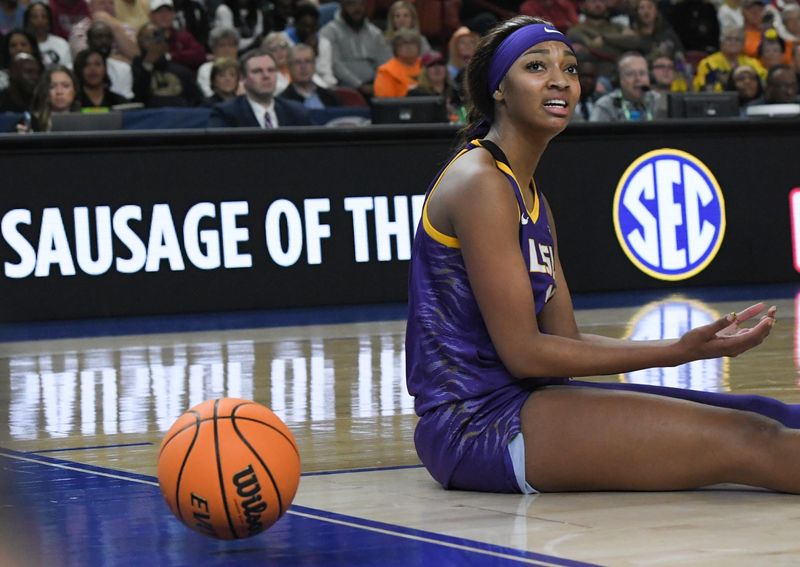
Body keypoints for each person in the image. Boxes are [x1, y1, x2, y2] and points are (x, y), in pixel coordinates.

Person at [406, 15, 800, 497]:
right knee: (751, 439)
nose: (559, 79)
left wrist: (680, 349)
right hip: (476, 424)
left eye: (570, 69)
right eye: (535, 66)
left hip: (531, 398)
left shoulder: (529, 194)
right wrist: (677, 351)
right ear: (498, 90)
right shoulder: (481, 182)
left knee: (767, 412)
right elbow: (526, 353)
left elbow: (563, 343)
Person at [208, 48, 312, 127]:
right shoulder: (226, 113)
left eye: (271, 70)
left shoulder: (297, 112)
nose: (266, 76)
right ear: (243, 78)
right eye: (257, 71)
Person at [319, 0, 391, 97]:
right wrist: (359, 85)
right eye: (351, 4)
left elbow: (385, 62)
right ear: (342, 6)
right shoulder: (329, 32)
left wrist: (379, 84)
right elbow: (335, 64)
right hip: (344, 88)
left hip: (375, 87)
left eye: (361, 4)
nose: (357, 9)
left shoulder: (375, 33)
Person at [131, 22, 203, 106]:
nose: (153, 43)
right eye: (147, 38)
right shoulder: (134, 69)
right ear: (139, 42)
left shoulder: (182, 71)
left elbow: (198, 101)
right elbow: (137, 99)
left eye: (156, 37)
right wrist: (148, 64)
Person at [590, 51, 660, 121]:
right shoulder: (605, 106)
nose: (638, 79)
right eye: (630, 74)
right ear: (619, 79)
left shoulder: (657, 101)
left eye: (642, 73)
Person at [693, 26, 766, 91]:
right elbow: (701, 87)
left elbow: (763, 81)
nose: (733, 42)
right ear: (721, 42)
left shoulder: (752, 62)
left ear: (743, 44)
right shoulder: (707, 63)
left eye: (737, 39)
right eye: (728, 39)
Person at [285, 1, 335, 88]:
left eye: (312, 26)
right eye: (304, 25)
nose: (308, 30)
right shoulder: (284, 41)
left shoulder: (323, 43)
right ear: (295, 25)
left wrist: (315, 55)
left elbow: (326, 74)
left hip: (319, 88)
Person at [68, 0, 139, 62]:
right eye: (102, 3)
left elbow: (137, 58)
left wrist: (114, 28)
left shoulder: (125, 28)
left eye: (111, 3)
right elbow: (84, 60)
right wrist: (124, 60)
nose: (107, 7)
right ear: (90, 8)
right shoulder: (80, 29)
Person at [148, 0, 205, 71]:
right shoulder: (147, 38)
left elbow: (200, 54)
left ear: (173, 14)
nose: (164, 15)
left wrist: (170, 57)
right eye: (159, 12)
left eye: (168, 11)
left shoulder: (183, 36)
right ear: (151, 16)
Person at [279, 42, 340, 108]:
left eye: (308, 61)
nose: (303, 67)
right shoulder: (282, 102)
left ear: (314, 65)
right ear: (289, 67)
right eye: (297, 62)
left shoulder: (330, 96)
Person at [407, 50, 462, 117]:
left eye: (441, 64)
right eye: (431, 65)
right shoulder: (415, 94)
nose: (437, 68)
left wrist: (455, 112)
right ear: (424, 71)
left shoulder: (454, 92)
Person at [87, 20, 133, 100]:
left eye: (108, 37)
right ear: (88, 41)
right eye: (99, 37)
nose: (104, 41)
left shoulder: (123, 69)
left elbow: (126, 101)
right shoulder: (74, 68)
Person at [27, 64, 80, 131]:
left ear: (75, 90)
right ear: (45, 91)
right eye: (52, 87)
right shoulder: (31, 121)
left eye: (65, 86)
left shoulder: (87, 118)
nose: (59, 92)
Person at [373, 29, 422, 98]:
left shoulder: (427, 65)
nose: (409, 47)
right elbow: (384, 101)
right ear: (396, 48)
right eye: (404, 44)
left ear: (419, 47)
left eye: (413, 43)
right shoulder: (386, 71)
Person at [24, 2, 73, 68]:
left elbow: (68, 68)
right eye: (35, 17)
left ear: (49, 21)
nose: (40, 20)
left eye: (44, 16)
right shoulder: (22, 44)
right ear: (28, 21)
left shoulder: (61, 43)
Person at [197, 25, 239, 98]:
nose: (227, 50)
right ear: (213, 49)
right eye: (222, 46)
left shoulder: (245, 67)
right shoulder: (206, 69)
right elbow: (208, 93)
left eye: (231, 45)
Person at [570, 52, 600, 121]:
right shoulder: (562, 103)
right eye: (584, 76)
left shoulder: (602, 103)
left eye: (592, 77)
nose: (589, 81)